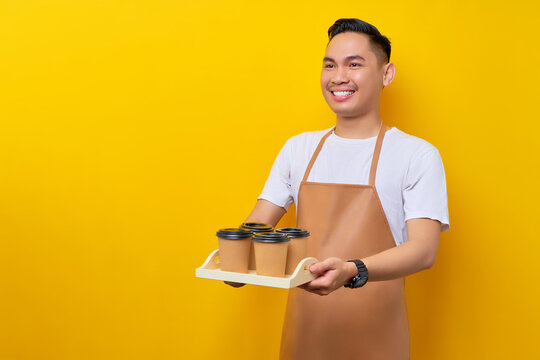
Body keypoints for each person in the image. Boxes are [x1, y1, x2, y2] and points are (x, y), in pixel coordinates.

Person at [226, 18, 449, 359]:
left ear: (386, 74)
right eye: (329, 65)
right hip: (303, 340)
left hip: (377, 344)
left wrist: (351, 270)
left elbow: (423, 250)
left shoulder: (416, 155)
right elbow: (257, 225)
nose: (338, 76)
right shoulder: (297, 149)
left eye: (354, 64)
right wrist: (233, 258)